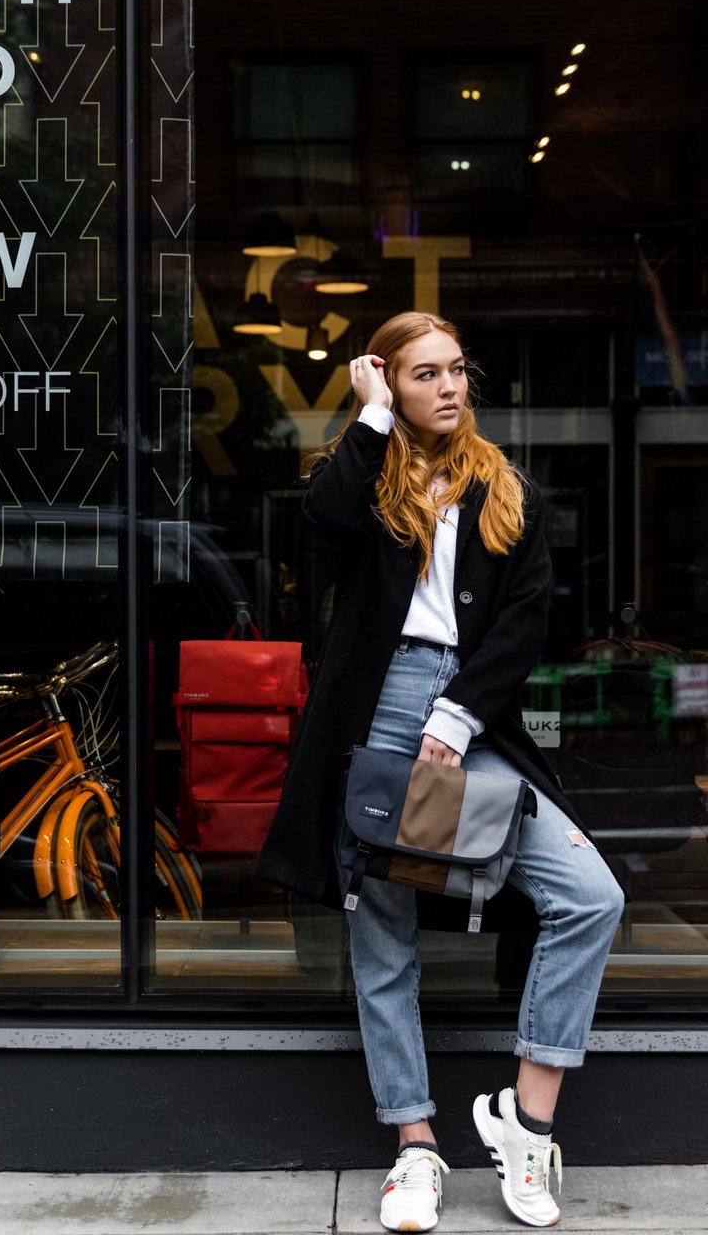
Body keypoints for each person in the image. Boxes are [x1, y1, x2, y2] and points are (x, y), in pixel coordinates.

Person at [255, 311, 624, 1232]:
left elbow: (525, 621)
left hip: (473, 713)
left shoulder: (508, 490)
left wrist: (457, 720)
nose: (449, 387)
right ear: (393, 384)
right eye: (424, 374)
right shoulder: (367, 479)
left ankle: (525, 1124)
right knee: (382, 934)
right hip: (377, 710)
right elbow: (320, 519)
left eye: (457, 370)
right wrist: (369, 412)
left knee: (589, 895)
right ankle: (413, 1147)